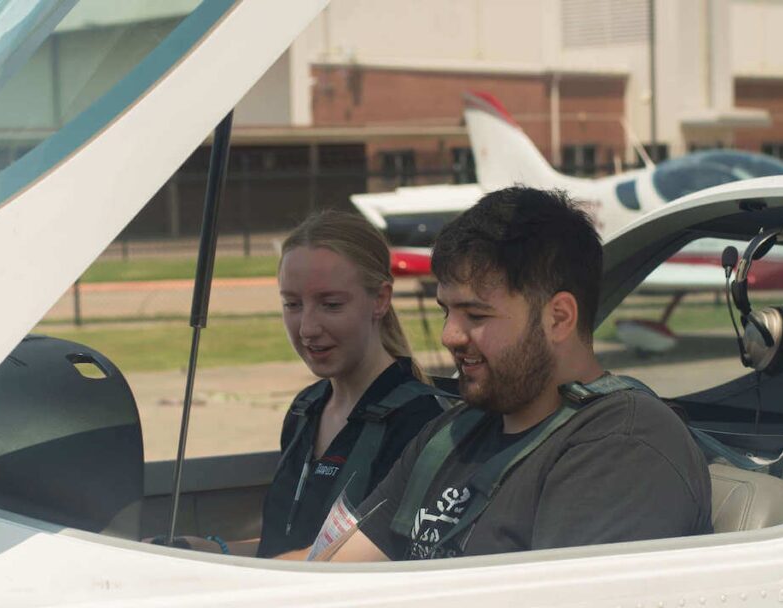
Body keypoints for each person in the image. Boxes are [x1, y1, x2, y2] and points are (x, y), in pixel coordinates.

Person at [325, 187, 712, 562]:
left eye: (476, 315)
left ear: (558, 317)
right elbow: (336, 571)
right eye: (447, 312)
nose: (449, 336)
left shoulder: (623, 448)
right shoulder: (451, 435)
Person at [255, 210, 447, 558]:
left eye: (330, 304)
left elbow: (352, 559)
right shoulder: (305, 409)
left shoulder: (418, 423)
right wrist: (210, 549)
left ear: (380, 300)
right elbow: (289, 546)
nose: (307, 328)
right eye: (292, 304)